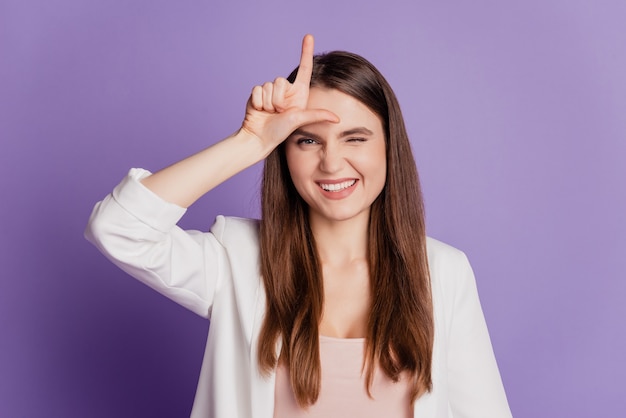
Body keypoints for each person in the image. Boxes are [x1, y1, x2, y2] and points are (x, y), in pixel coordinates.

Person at [85, 35, 512, 418]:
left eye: (355, 138)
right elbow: (119, 228)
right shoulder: (238, 260)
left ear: (389, 147)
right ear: (284, 153)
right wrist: (249, 142)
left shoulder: (444, 273)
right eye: (308, 140)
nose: (331, 162)